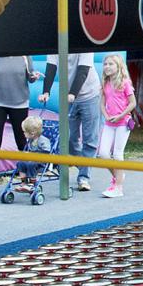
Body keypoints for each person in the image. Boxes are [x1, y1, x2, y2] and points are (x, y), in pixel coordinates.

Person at [0, 55, 40, 196]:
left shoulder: (24, 55)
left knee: (21, 141)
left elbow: (30, 77)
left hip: (20, 101)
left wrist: (34, 77)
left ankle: (25, 180)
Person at [38, 53, 102, 192]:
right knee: (69, 138)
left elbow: (83, 70)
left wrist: (73, 93)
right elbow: (51, 67)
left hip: (89, 95)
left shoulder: (83, 44)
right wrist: (46, 92)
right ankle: (83, 164)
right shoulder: (57, 40)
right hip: (68, 95)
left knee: (90, 139)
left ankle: (84, 177)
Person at [97, 54, 136, 198]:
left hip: (123, 122)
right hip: (109, 122)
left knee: (118, 154)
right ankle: (118, 175)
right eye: (105, 64)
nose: (107, 67)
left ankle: (118, 187)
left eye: (111, 64)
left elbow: (133, 103)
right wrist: (106, 115)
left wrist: (120, 115)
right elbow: (102, 103)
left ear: (118, 66)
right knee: (103, 153)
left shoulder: (125, 83)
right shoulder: (105, 83)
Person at [14, 114, 53, 185]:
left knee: (31, 164)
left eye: (24, 132)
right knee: (20, 163)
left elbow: (46, 152)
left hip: (42, 162)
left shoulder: (43, 141)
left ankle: (32, 183)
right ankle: (23, 182)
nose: (23, 133)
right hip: (32, 160)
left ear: (32, 133)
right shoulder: (30, 140)